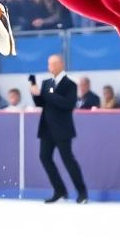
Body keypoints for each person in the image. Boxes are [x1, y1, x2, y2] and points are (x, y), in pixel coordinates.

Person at [31, 54, 88, 204]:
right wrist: (35, 93)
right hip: (46, 128)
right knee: (44, 157)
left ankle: (82, 192)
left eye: (53, 63)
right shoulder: (46, 83)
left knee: (68, 160)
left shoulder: (70, 84)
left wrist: (47, 94)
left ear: (61, 64)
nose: (50, 67)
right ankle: (60, 190)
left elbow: (68, 104)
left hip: (62, 128)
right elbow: (41, 103)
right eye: (49, 64)